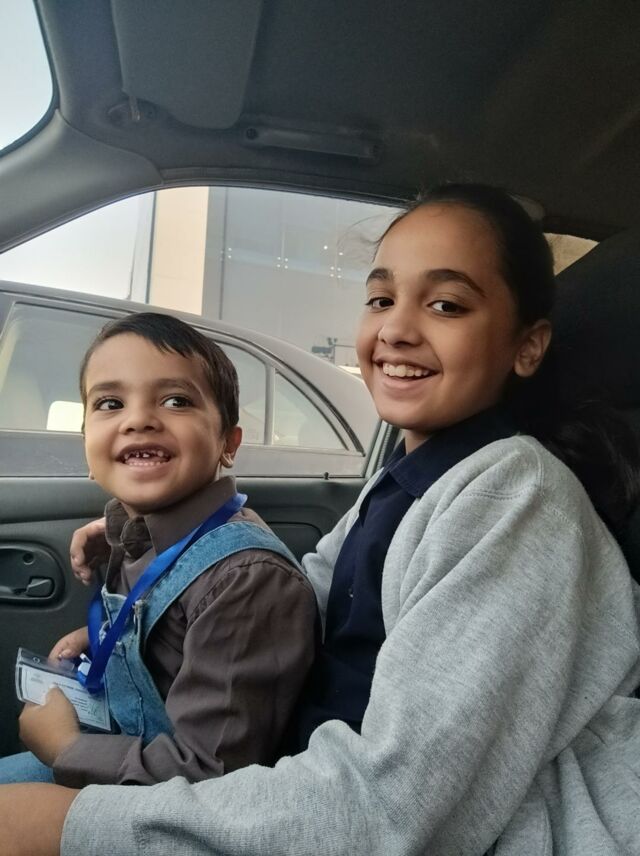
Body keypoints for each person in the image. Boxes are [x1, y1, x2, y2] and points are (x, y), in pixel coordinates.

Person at [2, 183, 640, 856]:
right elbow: (293, 604)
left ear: (527, 346)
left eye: (446, 305)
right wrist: (147, 593)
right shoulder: (406, 482)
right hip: (314, 790)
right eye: (381, 299)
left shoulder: (514, 498)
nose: (396, 329)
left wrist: (68, 819)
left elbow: (400, 809)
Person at [0, 312, 317, 789]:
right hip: (127, 754)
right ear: (87, 445)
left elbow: (213, 772)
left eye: (176, 401)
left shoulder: (247, 579)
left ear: (228, 443)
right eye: (110, 403)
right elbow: (171, 631)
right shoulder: (138, 535)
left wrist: (67, 748)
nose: (139, 420)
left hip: (168, 795)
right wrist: (105, 637)